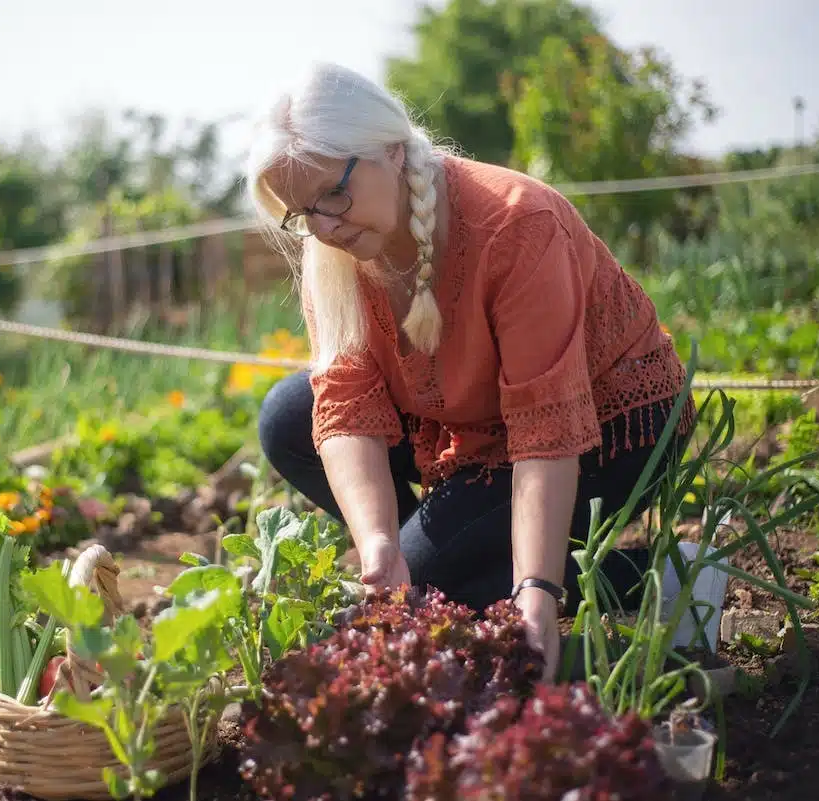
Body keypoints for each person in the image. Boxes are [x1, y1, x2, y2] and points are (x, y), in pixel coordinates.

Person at [244, 62, 696, 681]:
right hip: (478, 420)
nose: (323, 226)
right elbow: (346, 401)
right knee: (289, 417)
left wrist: (536, 589)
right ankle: (442, 562)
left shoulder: (516, 223)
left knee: (433, 584)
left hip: (610, 422)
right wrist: (380, 544)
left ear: (393, 152)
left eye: (332, 194)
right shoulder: (336, 252)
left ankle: (670, 580)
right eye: (302, 212)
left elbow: (546, 428)